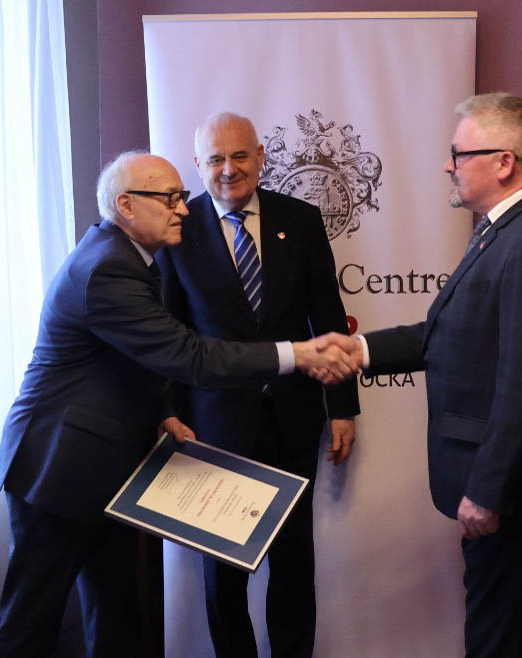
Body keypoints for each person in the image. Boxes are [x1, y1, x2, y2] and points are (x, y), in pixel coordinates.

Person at [0, 152, 358, 658]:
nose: (183, 208)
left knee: (117, 620)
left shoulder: (130, 259)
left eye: (181, 196)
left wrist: (163, 412)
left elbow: (138, 355)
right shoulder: (108, 269)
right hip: (57, 468)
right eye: (168, 198)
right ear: (125, 205)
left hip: (104, 469)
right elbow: (189, 355)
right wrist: (297, 353)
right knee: (29, 627)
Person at [332, 92, 522, 657]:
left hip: (514, 493)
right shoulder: (504, 230)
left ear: (504, 162)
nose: (447, 165)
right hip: (503, 487)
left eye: (458, 153)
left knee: (500, 641)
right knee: (503, 635)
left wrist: (489, 489)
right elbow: (447, 333)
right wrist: (357, 350)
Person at [155, 112, 359, 658]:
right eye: (215, 159)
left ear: (261, 156)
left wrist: (343, 406)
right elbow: (168, 334)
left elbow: (328, 317)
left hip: (292, 420)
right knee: (223, 576)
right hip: (213, 427)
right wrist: (168, 413)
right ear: (197, 164)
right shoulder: (176, 231)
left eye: (240, 156)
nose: (229, 169)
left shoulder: (302, 219)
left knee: (293, 565)